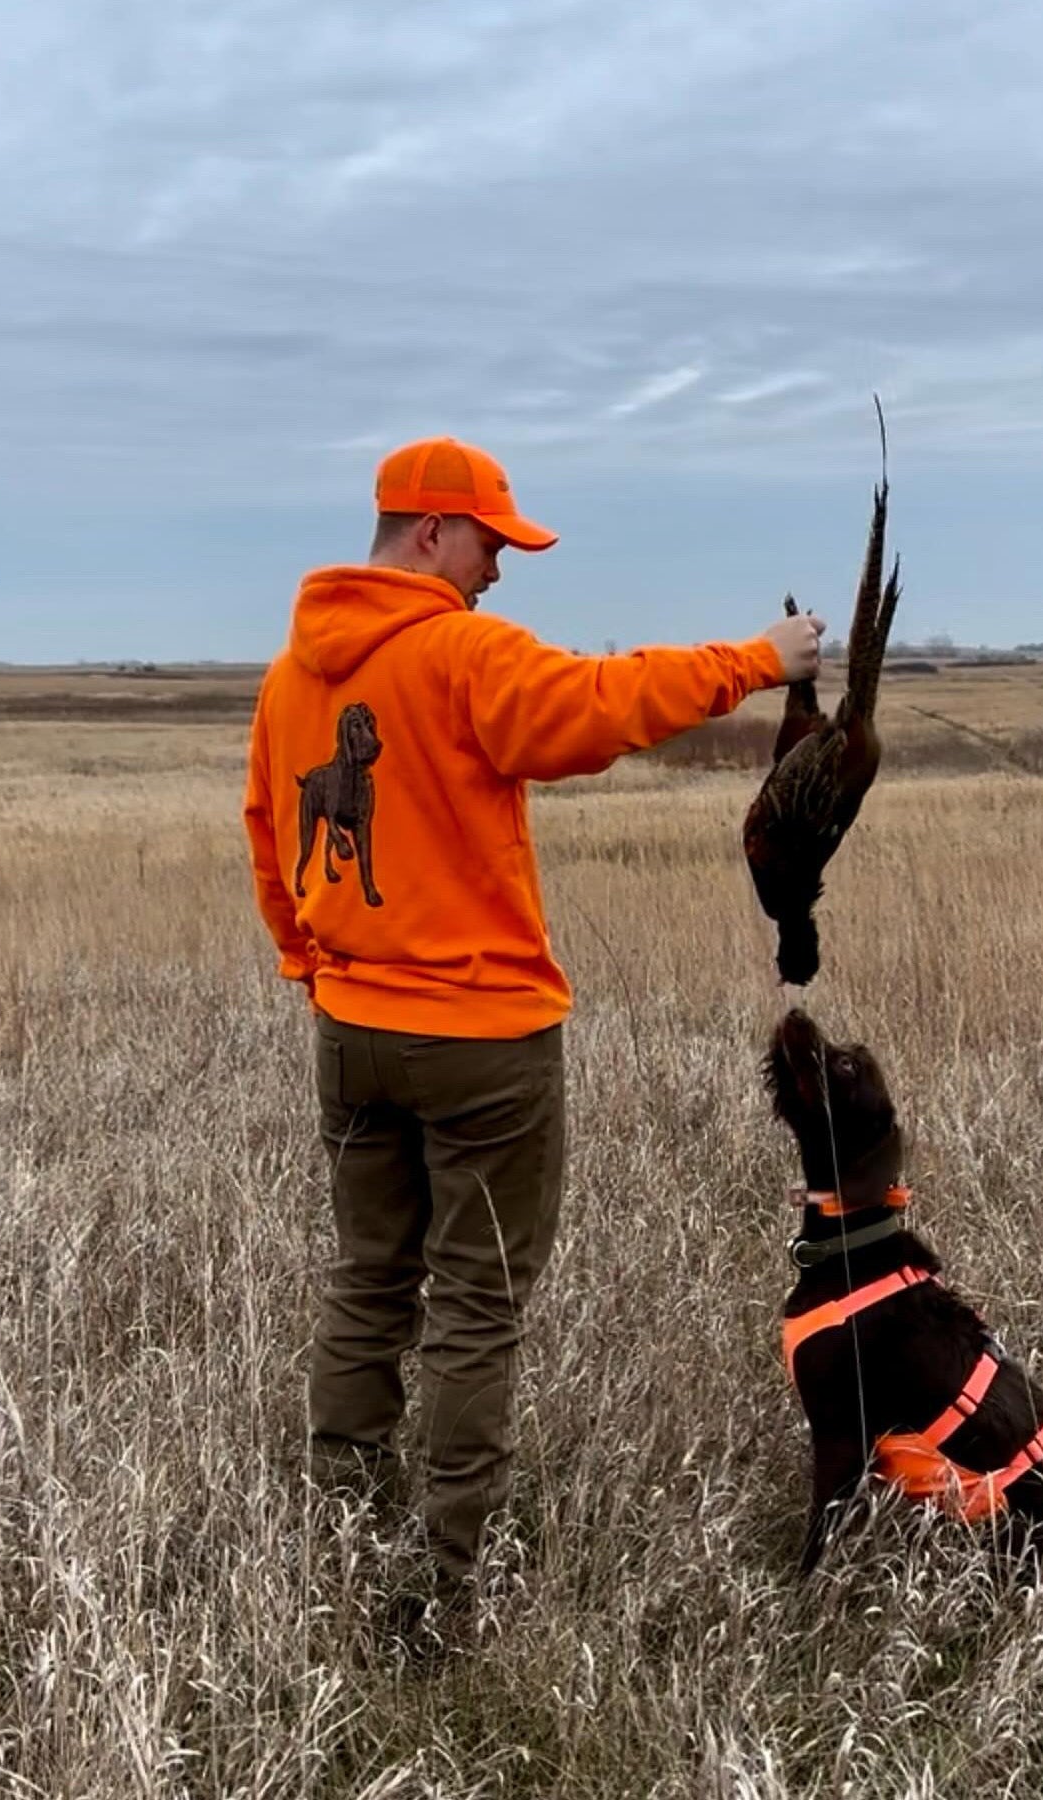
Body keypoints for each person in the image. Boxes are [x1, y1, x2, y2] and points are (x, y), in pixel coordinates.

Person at [243, 435, 824, 1595]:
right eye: (491, 543)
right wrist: (758, 660)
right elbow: (602, 706)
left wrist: (315, 967)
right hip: (481, 1043)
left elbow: (271, 831)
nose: (501, 569)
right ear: (429, 533)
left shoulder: (290, 676)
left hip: (350, 1032)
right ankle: (443, 1577)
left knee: (368, 1276)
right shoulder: (461, 653)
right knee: (475, 1304)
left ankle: (345, 1524)